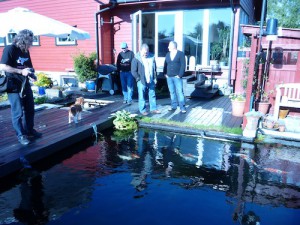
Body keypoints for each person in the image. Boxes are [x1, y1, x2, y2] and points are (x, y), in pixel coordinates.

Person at [0, 29, 42, 145]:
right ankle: (21, 135)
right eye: (30, 42)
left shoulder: (25, 51)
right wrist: (20, 71)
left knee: (30, 109)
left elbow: (28, 67)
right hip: (13, 85)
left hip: (25, 84)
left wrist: (32, 75)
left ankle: (30, 130)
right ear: (23, 40)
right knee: (17, 112)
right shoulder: (10, 48)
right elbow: (3, 66)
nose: (31, 45)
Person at [131, 43, 160, 115]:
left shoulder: (152, 57)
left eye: (146, 52)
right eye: (144, 53)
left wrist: (155, 78)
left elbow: (154, 69)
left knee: (152, 94)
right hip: (141, 80)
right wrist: (138, 79)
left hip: (151, 79)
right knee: (142, 96)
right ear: (140, 51)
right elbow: (133, 71)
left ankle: (153, 109)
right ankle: (143, 110)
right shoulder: (136, 58)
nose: (145, 54)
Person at [163, 41, 187, 113]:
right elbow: (165, 64)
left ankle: (182, 107)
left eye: (169, 46)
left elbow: (183, 65)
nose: (168, 47)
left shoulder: (181, 54)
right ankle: (174, 106)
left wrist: (180, 75)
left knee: (179, 92)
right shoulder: (167, 54)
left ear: (173, 46)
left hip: (177, 77)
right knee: (172, 92)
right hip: (169, 77)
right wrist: (165, 73)